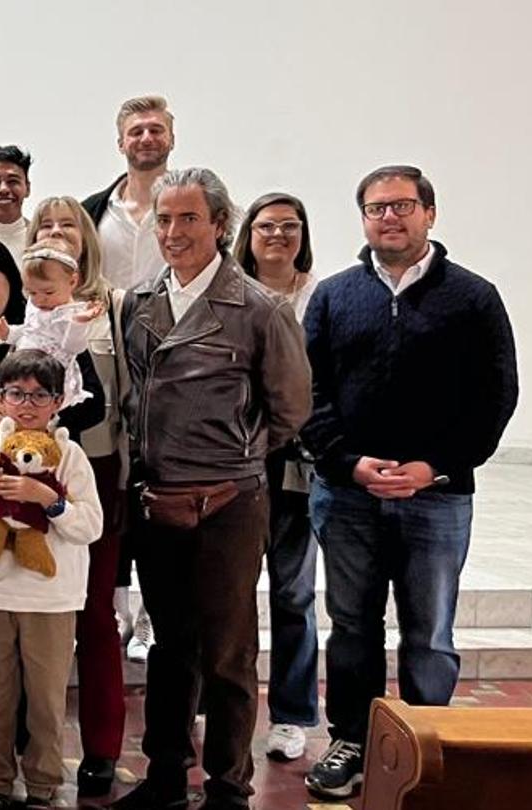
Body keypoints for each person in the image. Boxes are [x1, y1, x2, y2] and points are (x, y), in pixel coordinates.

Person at [299, 166, 517, 801]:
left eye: (400, 206)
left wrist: (435, 466)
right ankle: (352, 742)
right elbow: (309, 392)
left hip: (438, 496)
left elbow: (495, 396)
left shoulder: (474, 297)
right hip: (349, 494)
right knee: (353, 626)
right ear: (362, 218)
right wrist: (348, 463)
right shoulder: (335, 295)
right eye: (375, 208)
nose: (387, 218)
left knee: (429, 632)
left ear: (430, 212)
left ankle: (430, 742)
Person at [112, 168, 310, 810]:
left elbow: (289, 409)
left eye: (188, 219)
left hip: (229, 501)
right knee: (170, 649)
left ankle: (229, 786)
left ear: (220, 225)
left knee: (228, 652)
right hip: (157, 500)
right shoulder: (139, 303)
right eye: (165, 220)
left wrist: (233, 458)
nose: (173, 232)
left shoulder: (260, 308)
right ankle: (166, 775)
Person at [0, 234, 107, 765]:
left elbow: (90, 404)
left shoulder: (51, 334)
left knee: (45, 683)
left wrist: (42, 454)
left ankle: (44, 773)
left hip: (49, 559)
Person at [0, 350, 103, 810]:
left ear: (59, 401)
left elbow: (90, 526)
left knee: (46, 700)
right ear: (0, 398)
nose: (27, 404)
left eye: (40, 395)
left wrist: (47, 500)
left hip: (53, 598)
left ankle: (43, 783)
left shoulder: (70, 455)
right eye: (16, 393)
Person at [26, 194, 128, 796]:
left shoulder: (108, 307)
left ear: (86, 242)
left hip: (94, 470)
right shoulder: (29, 310)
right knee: (28, 617)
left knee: (93, 616)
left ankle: (102, 749)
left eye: (69, 226)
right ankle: (30, 748)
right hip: (27, 472)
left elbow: (122, 396)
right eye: (47, 226)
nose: (58, 233)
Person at [228, 192, 321, 764]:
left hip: (295, 462)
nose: (279, 236)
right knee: (228, 591)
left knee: (293, 592)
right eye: (267, 226)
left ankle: (291, 713)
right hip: (234, 462)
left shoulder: (323, 294)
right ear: (249, 234)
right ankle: (219, 697)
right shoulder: (229, 294)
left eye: (290, 226)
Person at [0, 241, 97, 408]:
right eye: (32, 292)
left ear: (72, 281)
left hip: (51, 379)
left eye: (48, 292)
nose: (39, 299)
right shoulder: (35, 305)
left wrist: (79, 323)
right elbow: (29, 331)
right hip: (21, 370)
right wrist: (8, 332)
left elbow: (73, 347)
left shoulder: (72, 314)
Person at [84, 95, 176, 294]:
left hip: (177, 324)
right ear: (121, 144)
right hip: (105, 324)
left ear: (172, 140)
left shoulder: (196, 208)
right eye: (136, 132)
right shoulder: (89, 212)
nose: (146, 138)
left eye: (156, 130)